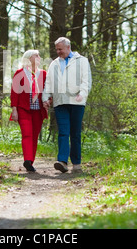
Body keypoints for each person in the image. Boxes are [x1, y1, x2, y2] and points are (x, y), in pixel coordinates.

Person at [42, 37, 92, 173]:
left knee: (75, 133)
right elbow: (49, 83)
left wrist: (82, 94)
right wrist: (46, 98)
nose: (58, 52)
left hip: (77, 102)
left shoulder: (81, 61)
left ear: (68, 47)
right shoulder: (54, 64)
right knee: (63, 132)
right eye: (56, 49)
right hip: (60, 102)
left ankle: (76, 164)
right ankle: (62, 161)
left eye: (60, 49)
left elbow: (86, 80)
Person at [10, 50, 48, 172]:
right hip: (23, 109)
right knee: (27, 134)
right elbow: (14, 93)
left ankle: (30, 162)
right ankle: (27, 159)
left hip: (38, 110)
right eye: (36, 55)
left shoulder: (43, 74)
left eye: (39, 55)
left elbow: (47, 91)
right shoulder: (19, 73)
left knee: (34, 136)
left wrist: (48, 100)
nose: (39, 57)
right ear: (28, 58)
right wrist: (14, 110)